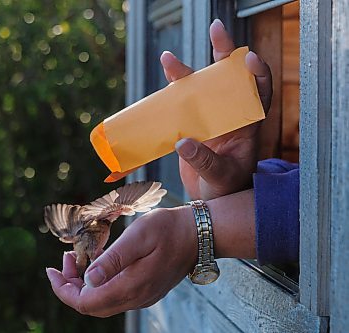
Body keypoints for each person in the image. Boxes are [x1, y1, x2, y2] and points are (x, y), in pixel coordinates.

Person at [46, 19, 299, 317]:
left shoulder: (107, 218)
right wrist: (230, 189)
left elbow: (327, 204)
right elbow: (307, 187)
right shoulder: (89, 229)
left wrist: (195, 230)